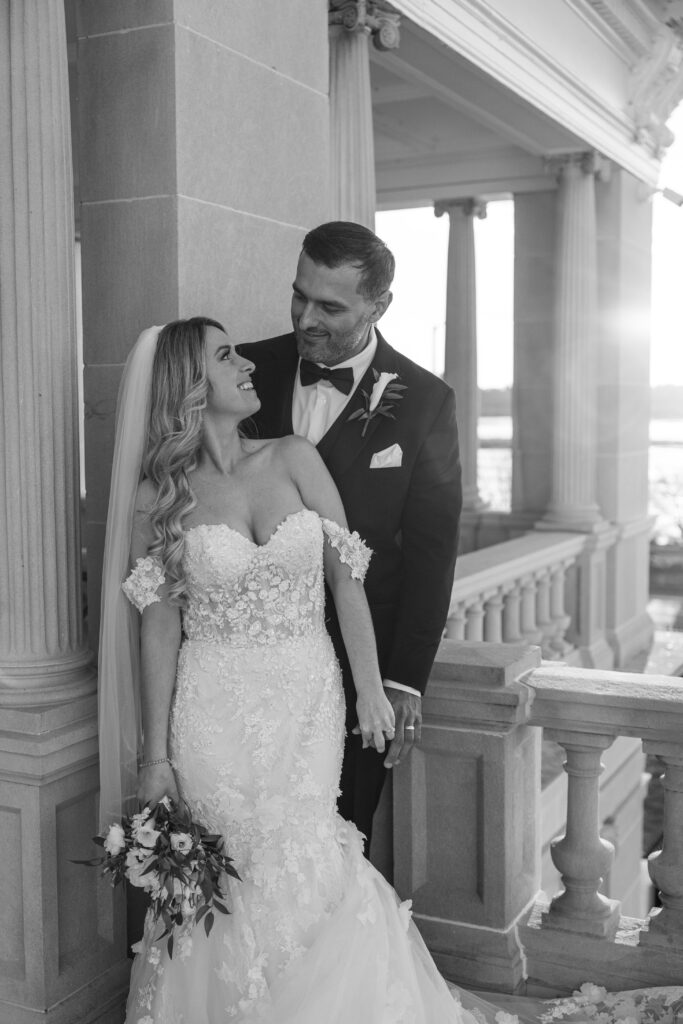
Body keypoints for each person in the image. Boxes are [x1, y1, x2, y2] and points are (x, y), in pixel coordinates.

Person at [97, 317, 501, 1023]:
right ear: (190, 387)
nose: (248, 365)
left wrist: (371, 689)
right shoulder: (158, 498)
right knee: (231, 871)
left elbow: (347, 577)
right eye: (227, 358)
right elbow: (157, 625)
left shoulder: (294, 456)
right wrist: (154, 755)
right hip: (212, 707)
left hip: (308, 696)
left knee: (310, 849)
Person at [238, 222, 462, 846]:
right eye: (299, 295)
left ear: (378, 306)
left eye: (330, 307)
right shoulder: (247, 370)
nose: (305, 317)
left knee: (337, 840)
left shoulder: (425, 401)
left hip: (359, 667)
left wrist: (403, 679)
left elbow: (431, 550)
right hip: (251, 661)